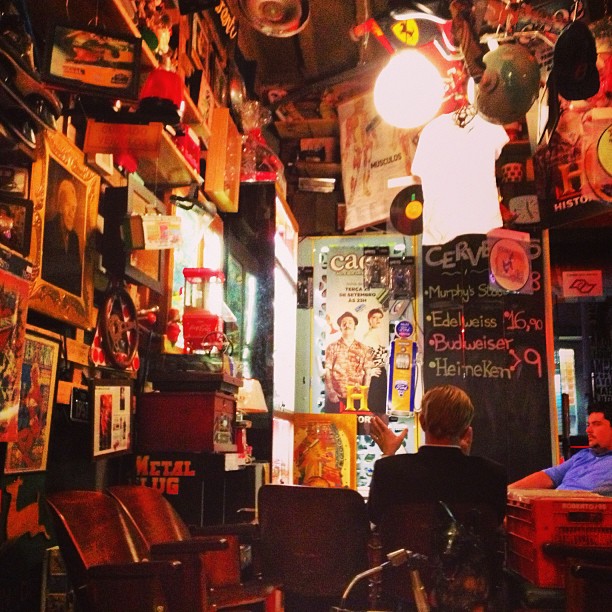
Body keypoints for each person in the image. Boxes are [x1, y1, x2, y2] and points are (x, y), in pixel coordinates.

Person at [368, 385, 507, 526]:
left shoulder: (388, 470)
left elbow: (375, 517)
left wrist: (388, 453)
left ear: (422, 422)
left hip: (406, 549)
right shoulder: (493, 475)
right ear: (466, 431)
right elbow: (490, 524)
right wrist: (464, 457)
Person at [509, 401, 612, 493]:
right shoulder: (584, 455)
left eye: (596, 424)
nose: (588, 430)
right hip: (553, 506)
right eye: (588, 425)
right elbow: (550, 476)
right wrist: (506, 492)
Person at [323, 311, 373, 413]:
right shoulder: (332, 347)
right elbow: (327, 371)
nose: (347, 325)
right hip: (336, 397)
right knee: (334, 427)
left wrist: (365, 393)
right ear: (340, 327)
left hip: (356, 397)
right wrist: (331, 392)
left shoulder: (364, 349)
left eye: (350, 322)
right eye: (343, 323)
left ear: (355, 327)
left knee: (356, 427)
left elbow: (368, 373)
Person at [42, 178, 82, 296]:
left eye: (74, 208)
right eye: (68, 206)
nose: (71, 213)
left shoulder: (74, 238)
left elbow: (76, 275)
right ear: (60, 207)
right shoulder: (48, 229)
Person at [362, 308, 388, 413]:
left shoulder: (382, 335)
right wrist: (370, 371)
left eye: (379, 318)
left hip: (382, 373)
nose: (377, 320)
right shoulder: (367, 337)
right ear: (369, 320)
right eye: (374, 317)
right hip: (374, 376)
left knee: (382, 407)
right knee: (374, 408)